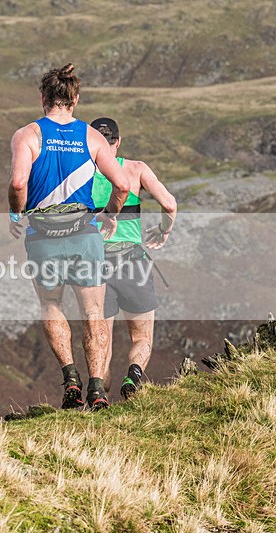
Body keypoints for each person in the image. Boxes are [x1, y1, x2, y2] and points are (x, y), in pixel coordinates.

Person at [8, 63, 130, 410]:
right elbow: (122, 184)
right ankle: (98, 389)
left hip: (43, 236)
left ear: (44, 97)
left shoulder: (28, 135)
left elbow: (18, 183)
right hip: (84, 234)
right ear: (74, 99)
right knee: (93, 313)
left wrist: (16, 214)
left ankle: (71, 379)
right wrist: (109, 214)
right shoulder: (91, 136)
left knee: (51, 304)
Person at [89, 117, 177, 399]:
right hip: (132, 261)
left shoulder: (80, 173)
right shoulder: (137, 169)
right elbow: (170, 204)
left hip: (95, 264)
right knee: (141, 337)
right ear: (119, 141)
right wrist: (164, 230)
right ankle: (134, 376)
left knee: (102, 342)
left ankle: (100, 399)